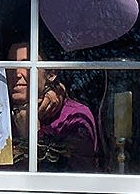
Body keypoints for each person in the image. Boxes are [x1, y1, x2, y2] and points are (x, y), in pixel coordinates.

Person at [7, 42, 97, 172]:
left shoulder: (75, 116)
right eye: (11, 65)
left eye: (26, 65)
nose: (16, 73)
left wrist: (31, 136)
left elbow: (77, 176)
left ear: (51, 73)